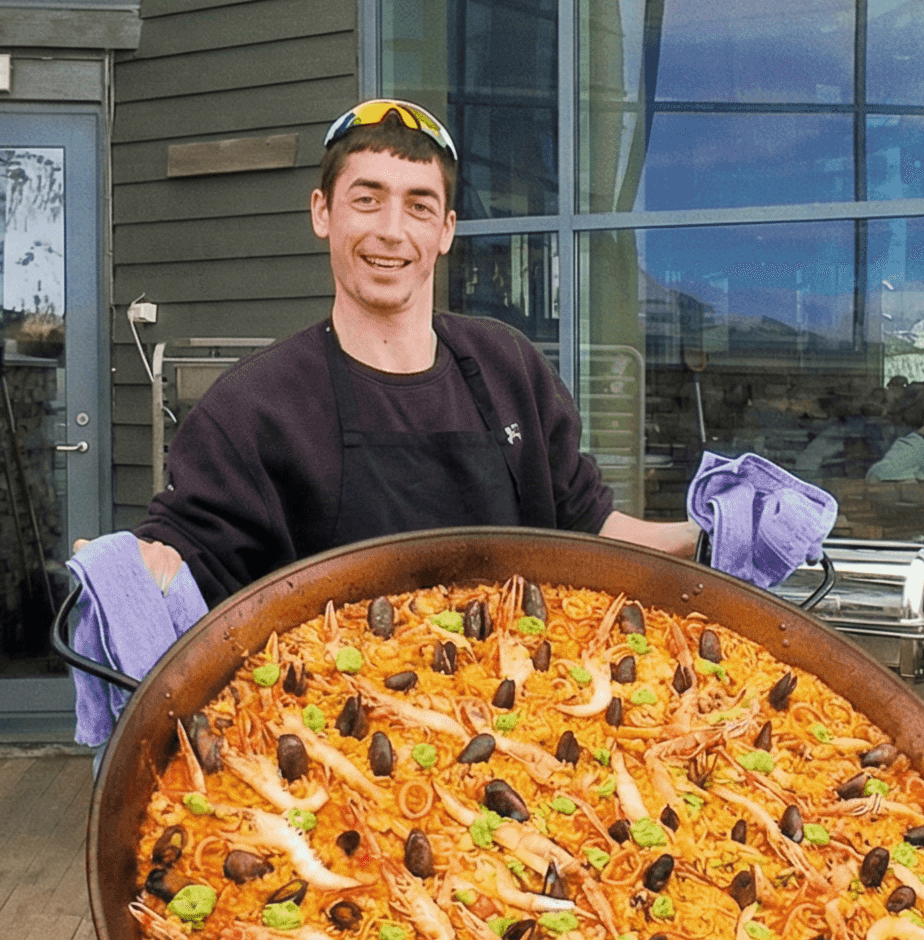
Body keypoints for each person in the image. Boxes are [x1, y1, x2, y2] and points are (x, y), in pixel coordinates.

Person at [135, 100, 697, 600]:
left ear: (446, 230)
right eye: (367, 199)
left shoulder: (510, 368)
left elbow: (591, 531)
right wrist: (121, 573)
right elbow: (176, 567)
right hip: (322, 687)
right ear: (322, 212)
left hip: (521, 681)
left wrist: (708, 536)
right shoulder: (252, 408)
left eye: (419, 206)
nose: (391, 230)